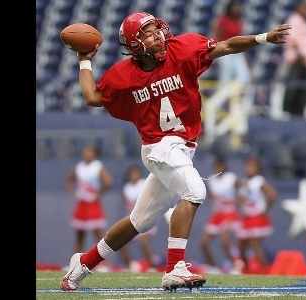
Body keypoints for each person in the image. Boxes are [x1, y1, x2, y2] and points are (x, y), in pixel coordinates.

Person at [60, 11, 291, 291]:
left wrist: (262, 37)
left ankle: (81, 265)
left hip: (181, 148)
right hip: (160, 146)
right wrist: (84, 61)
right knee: (195, 191)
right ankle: (175, 268)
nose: (157, 34)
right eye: (147, 32)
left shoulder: (181, 50)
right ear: (135, 44)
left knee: (139, 221)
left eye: (156, 28)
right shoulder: (123, 75)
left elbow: (226, 46)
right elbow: (92, 97)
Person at [66, 145, 112, 255]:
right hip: (82, 203)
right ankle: (76, 262)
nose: (87, 154)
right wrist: (74, 192)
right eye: (85, 152)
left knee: (98, 235)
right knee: (79, 235)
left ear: (94, 154)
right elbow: (69, 179)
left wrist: (98, 194)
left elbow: (108, 182)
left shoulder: (98, 166)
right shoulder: (79, 167)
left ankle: (102, 263)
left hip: (93, 204)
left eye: (89, 152)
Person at [235, 157, 278, 272]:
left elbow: (272, 195)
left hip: (257, 217)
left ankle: (265, 270)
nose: (248, 169)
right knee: (241, 247)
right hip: (246, 217)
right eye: (247, 166)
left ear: (258, 169)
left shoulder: (259, 180)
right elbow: (240, 198)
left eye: (252, 166)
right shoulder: (244, 181)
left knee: (255, 245)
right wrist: (241, 204)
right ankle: (247, 270)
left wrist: (265, 209)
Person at [199, 158, 240, 273]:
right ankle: (213, 267)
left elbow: (242, 190)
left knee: (225, 241)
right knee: (204, 242)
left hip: (230, 213)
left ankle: (236, 265)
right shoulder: (211, 180)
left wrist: (239, 201)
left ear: (225, 166)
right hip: (217, 214)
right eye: (216, 166)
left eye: (220, 166)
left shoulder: (232, 178)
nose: (218, 169)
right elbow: (210, 196)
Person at [118, 165, 160, 272]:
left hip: (146, 218)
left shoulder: (144, 184)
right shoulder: (126, 188)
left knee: (143, 242)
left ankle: (152, 267)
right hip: (133, 220)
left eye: (136, 173)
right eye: (132, 174)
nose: (134, 176)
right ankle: (130, 265)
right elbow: (127, 204)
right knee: (120, 242)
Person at [283, 0, 306, 117]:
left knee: (303, 88)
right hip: (297, 59)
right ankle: (288, 112)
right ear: (298, 8)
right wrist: (301, 55)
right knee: (294, 86)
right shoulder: (294, 20)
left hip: (305, 61)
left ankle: (299, 112)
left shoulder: (304, 22)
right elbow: (293, 39)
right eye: (305, 8)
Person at [212, 0, 250, 85]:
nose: (236, 9)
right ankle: (222, 96)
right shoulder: (223, 20)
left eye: (238, 7)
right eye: (234, 7)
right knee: (226, 75)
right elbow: (217, 36)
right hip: (224, 49)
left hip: (236, 51)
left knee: (244, 76)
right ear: (229, 8)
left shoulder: (239, 21)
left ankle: (234, 94)